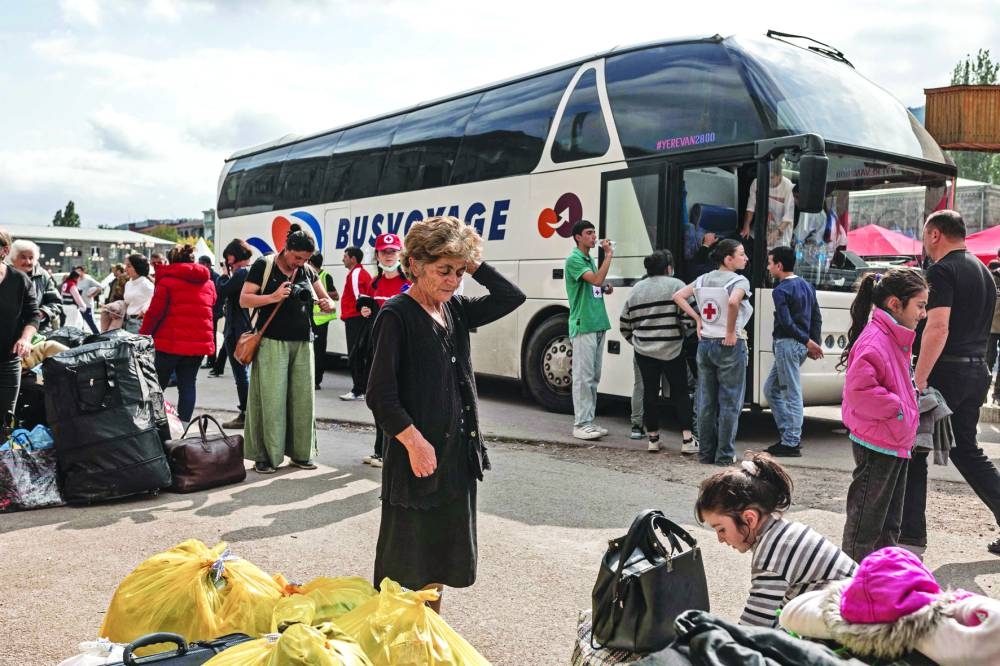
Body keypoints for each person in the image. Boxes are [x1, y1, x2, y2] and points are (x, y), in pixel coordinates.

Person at [366, 216, 525, 613]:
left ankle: (428, 635)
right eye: (443, 270)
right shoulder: (396, 315)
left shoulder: (454, 308)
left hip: (455, 459)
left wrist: (472, 261)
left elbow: (511, 297)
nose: (453, 280)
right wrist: (414, 443)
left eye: (459, 272)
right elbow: (380, 395)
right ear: (415, 265)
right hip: (417, 460)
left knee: (439, 558)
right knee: (406, 567)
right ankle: (398, 641)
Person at [904, 210, 1000, 556]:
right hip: (977, 370)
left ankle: (911, 538)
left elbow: (938, 326)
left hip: (948, 372)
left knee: (915, 450)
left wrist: (919, 378)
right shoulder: (983, 272)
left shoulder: (941, 271)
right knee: (966, 450)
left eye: (924, 234)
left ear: (934, 235)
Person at [696, 451, 857, 627]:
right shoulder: (782, 533)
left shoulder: (771, 553)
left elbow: (753, 628)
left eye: (721, 529)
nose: (720, 539)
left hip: (851, 629)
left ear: (750, 519)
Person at [839, 267, 927, 562]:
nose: (923, 314)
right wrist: (898, 409)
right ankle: (852, 588)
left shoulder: (894, 336)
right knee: (865, 528)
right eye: (920, 305)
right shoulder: (877, 339)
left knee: (889, 527)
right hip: (879, 442)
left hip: (892, 442)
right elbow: (859, 392)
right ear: (894, 304)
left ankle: (880, 586)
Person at [239, 226, 335, 473]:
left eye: (305, 259)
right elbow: (244, 299)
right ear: (287, 249)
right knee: (271, 400)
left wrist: (327, 303)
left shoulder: (307, 270)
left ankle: (301, 454)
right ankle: (265, 456)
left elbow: (329, 303)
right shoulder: (265, 265)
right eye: (297, 258)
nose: (300, 263)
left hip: (303, 341)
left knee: (303, 401)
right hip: (272, 340)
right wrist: (273, 297)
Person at [673, 239, 751, 466]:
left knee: (706, 401)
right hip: (729, 346)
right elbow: (735, 302)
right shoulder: (740, 281)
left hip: (705, 344)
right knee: (729, 403)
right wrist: (729, 332)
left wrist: (698, 319)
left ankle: (706, 453)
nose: (745, 258)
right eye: (742, 254)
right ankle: (724, 456)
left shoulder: (704, 279)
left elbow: (678, 296)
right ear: (728, 259)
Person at [619, 250, 698, 455]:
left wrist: (638, 342)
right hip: (673, 349)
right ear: (668, 268)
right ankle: (687, 440)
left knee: (650, 393)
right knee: (681, 392)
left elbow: (625, 324)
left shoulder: (636, 290)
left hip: (644, 352)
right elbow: (690, 318)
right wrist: (682, 334)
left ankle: (653, 439)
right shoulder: (677, 285)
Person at [139, 244, 216, 422]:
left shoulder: (167, 282)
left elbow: (154, 313)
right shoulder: (208, 283)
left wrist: (143, 335)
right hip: (198, 344)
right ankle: (183, 427)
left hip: (169, 343)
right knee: (188, 385)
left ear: (171, 261)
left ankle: (153, 424)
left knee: (156, 385)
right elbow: (211, 304)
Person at [763, 245, 824, 458]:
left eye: (770, 263)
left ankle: (790, 441)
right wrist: (812, 342)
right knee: (771, 389)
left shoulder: (780, 290)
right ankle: (788, 435)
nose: (769, 267)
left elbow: (786, 323)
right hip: (799, 345)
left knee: (790, 393)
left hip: (787, 344)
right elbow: (816, 317)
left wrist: (808, 342)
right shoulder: (807, 286)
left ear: (779, 265)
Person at [361, 233, 411, 467]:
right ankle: (380, 450)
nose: (389, 256)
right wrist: (366, 311)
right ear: (377, 255)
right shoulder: (374, 283)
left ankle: (396, 451)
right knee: (380, 398)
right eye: (384, 252)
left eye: (393, 252)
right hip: (379, 348)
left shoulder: (410, 283)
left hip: (404, 351)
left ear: (401, 254)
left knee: (401, 400)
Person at [564, 220, 614, 441]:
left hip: (598, 322)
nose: (594, 237)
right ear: (578, 237)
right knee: (583, 377)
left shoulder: (590, 259)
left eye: (594, 232)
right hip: (584, 323)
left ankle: (589, 421)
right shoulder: (574, 259)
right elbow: (595, 280)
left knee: (593, 376)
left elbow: (596, 284)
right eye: (589, 233)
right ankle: (581, 423)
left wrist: (604, 287)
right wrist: (609, 256)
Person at [0, 228, 39, 420]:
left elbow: (33, 315)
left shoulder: (19, 280)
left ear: (4, 251)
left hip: (8, 361)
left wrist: (25, 338)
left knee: (5, 421)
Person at [215, 238, 254, 429]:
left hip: (237, 329)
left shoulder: (242, 273)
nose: (227, 261)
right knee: (243, 373)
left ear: (234, 255)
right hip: (241, 327)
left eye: (228, 257)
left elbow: (221, 291)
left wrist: (223, 275)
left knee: (241, 374)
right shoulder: (248, 272)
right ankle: (247, 412)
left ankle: (246, 413)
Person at [339, 246, 372, 401]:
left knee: (355, 354)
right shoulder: (359, 273)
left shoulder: (356, 273)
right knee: (360, 354)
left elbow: (360, 297)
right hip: (358, 318)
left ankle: (358, 390)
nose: (343, 259)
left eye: (345, 256)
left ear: (353, 258)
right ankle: (362, 389)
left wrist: (360, 313)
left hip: (355, 318)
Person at [8, 239, 62, 334]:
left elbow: (56, 303)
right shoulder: (4, 274)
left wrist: (42, 313)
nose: (28, 261)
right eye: (23, 257)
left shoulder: (43, 275)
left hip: (38, 330)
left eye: (31, 258)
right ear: (13, 258)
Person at [740, 158, 795, 249]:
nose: (769, 180)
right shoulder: (757, 182)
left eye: (772, 177)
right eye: (767, 176)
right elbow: (750, 208)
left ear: (779, 175)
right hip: (761, 230)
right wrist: (746, 225)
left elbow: (788, 217)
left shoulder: (788, 186)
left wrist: (777, 232)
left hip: (780, 233)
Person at [309, 252, 339, 390]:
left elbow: (335, 295)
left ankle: (316, 381)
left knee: (319, 351)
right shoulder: (308, 275)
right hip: (311, 319)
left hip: (321, 320)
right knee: (310, 352)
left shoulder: (325, 276)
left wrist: (321, 293)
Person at [198, 255, 226, 377]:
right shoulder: (205, 276)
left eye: (201, 264)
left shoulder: (215, 277)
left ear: (208, 264)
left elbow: (218, 296)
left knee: (212, 337)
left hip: (213, 311)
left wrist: (217, 311)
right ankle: (210, 360)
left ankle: (211, 360)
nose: (199, 266)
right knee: (209, 336)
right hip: (207, 311)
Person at [122, 254, 155, 334]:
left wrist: (145, 309)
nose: (125, 269)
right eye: (126, 266)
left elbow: (157, 299)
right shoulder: (128, 283)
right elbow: (127, 302)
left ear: (138, 267)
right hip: (127, 322)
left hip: (140, 323)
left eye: (129, 266)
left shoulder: (146, 284)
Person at [73, 265, 102, 335]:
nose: (78, 273)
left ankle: (98, 336)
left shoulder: (88, 280)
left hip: (87, 305)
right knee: (79, 324)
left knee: (91, 323)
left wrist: (93, 294)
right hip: (78, 306)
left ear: (83, 271)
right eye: (76, 271)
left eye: (79, 271)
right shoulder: (76, 280)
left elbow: (100, 287)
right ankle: (81, 338)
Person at [987, 259, 1000, 406]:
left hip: (992, 326)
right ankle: (983, 392)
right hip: (991, 327)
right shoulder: (992, 277)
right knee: (988, 360)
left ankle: (997, 394)